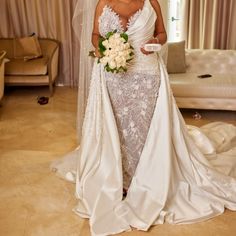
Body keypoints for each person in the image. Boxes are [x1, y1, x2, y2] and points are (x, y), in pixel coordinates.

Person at [51, 0, 236, 235]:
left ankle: (145, 179)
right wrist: (102, 48)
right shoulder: (102, 3)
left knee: (146, 128)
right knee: (116, 127)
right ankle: (120, 178)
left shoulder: (151, 3)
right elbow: (95, 34)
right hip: (111, 76)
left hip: (147, 75)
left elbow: (162, 33)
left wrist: (156, 42)